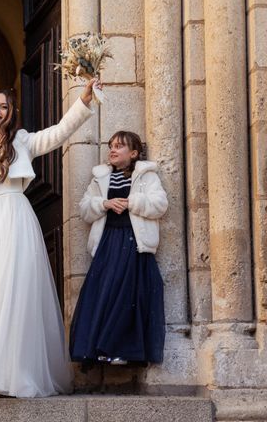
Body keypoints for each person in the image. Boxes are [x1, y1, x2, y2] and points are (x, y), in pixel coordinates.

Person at [0, 82, 96, 398]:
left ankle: (14, 375)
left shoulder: (22, 142)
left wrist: (84, 100)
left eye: (4, 107)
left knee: (15, 293)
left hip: (16, 219)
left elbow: (59, 132)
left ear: (11, 114)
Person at [69, 131, 167, 369]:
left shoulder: (146, 176)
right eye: (111, 146)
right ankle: (99, 349)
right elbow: (84, 209)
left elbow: (160, 204)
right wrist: (104, 204)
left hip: (135, 244)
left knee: (129, 297)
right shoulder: (100, 178)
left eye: (120, 147)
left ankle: (124, 351)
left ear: (133, 154)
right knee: (104, 295)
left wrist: (132, 202)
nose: (112, 150)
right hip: (109, 243)